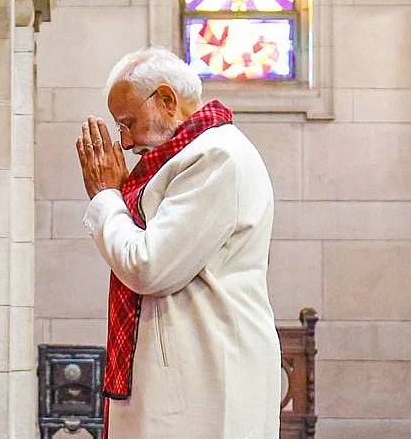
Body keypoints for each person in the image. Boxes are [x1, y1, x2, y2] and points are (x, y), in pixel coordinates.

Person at [75, 47, 280, 438]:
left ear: (166, 100)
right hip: (185, 367)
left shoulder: (216, 156)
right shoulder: (186, 156)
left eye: (128, 122)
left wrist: (105, 197)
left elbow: (148, 266)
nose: (125, 141)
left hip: (208, 372)